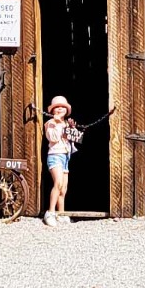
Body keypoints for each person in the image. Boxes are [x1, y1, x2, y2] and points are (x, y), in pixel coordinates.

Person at [43, 95, 82, 225]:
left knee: (64, 188)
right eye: (57, 107)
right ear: (52, 110)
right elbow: (53, 138)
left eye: (62, 107)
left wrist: (72, 128)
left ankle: (61, 213)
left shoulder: (66, 123)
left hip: (66, 156)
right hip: (55, 155)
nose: (60, 109)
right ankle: (50, 213)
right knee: (58, 183)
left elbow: (74, 139)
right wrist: (58, 124)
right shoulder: (50, 123)